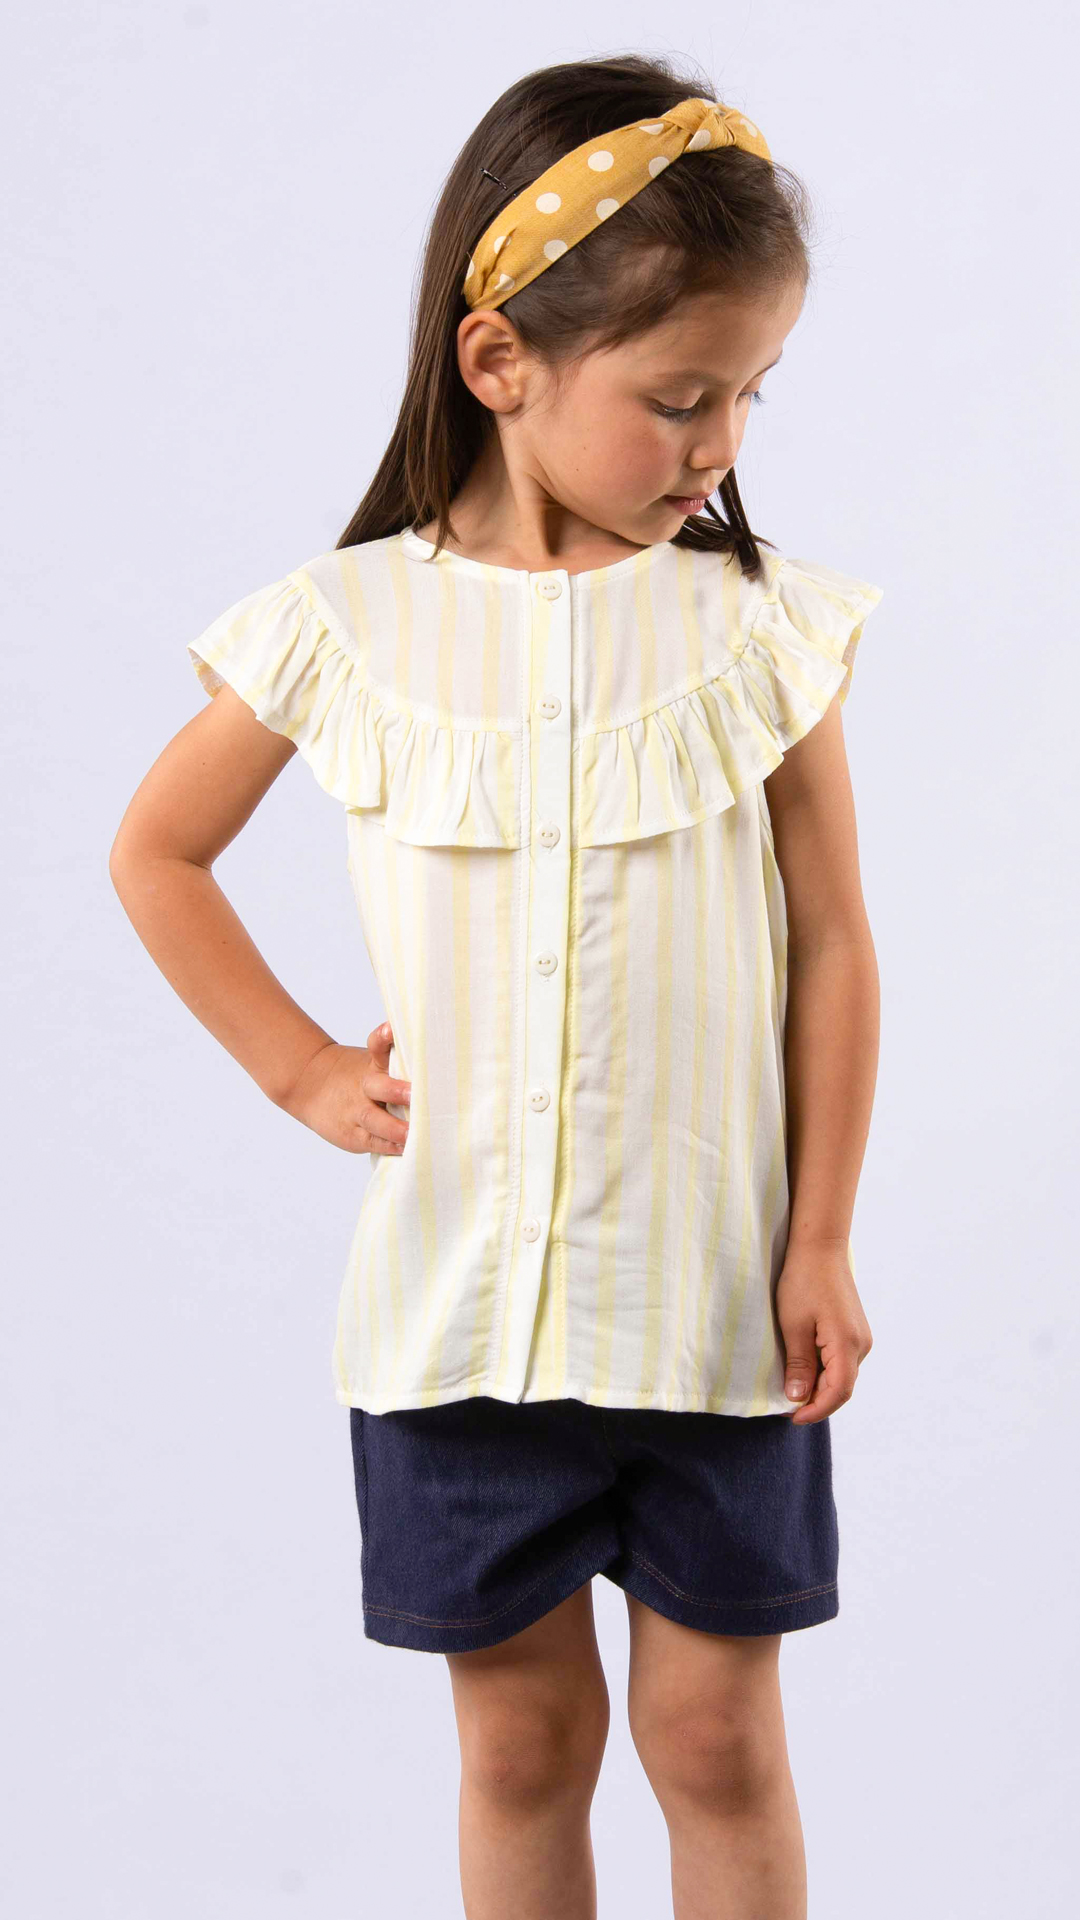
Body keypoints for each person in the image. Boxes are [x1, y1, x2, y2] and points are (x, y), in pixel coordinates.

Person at [111, 52, 884, 1920]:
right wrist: (301, 1068)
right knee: (523, 1748)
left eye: (751, 394)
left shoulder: (760, 631)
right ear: (499, 363)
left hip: (714, 1317)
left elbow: (836, 938)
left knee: (716, 1743)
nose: (719, 445)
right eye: (679, 398)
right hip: (456, 1329)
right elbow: (157, 853)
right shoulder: (346, 624)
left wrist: (820, 1238)